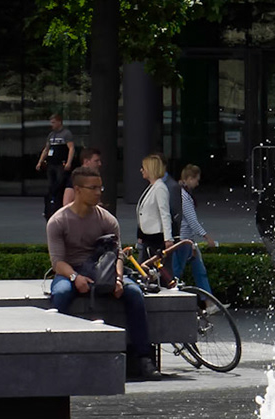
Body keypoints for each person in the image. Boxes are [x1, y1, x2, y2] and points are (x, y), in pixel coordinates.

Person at [49, 165, 156, 379]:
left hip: (104, 269)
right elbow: (58, 262)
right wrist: (75, 278)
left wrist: (117, 279)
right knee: (61, 294)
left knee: (134, 294)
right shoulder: (58, 221)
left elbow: (116, 254)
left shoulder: (107, 220)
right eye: (93, 188)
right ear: (78, 190)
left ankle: (143, 358)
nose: (99, 192)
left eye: (101, 187)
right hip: (71, 270)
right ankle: (55, 357)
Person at [167, 164, 216, 294]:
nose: (197, 183)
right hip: (184, 240)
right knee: (178, 271)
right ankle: (172, 296)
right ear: (189, 178)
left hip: (186, 239)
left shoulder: (180, 192)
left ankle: (208, 301)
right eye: (196, 180)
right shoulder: (184, 196)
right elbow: (192, 220)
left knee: (198, 271)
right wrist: (207, 237)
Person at [135, 153, 176, 283]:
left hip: (156, 237)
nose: (141, 170)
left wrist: (168, 238)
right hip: (149, 236)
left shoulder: (159, 188)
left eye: (144, 167)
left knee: (151, 269)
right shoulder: (153, 187)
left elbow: (165, 213)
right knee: (145, 269)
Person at [37, 113, 76, 219]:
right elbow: (46, 149)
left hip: (60, 163)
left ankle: (58, 203)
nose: (52, 125)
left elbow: (71, 148)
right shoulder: (51, 135)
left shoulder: (66, 134)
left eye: (54, 122)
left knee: (59, 184)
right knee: (51, 185)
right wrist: (40, 161)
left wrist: (68, 162)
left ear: (59, 122)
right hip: (51, 163)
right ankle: (51, 205)